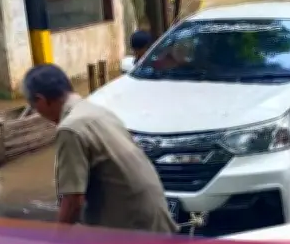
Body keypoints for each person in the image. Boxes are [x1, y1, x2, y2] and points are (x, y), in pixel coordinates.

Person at [22, 64, 178, 233]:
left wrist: (58, 240)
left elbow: (73, 199)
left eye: (34, 107)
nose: (38, 113)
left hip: (134, 230)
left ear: (41, 100)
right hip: (154, 219)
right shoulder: (96, 111)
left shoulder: (70, 129)